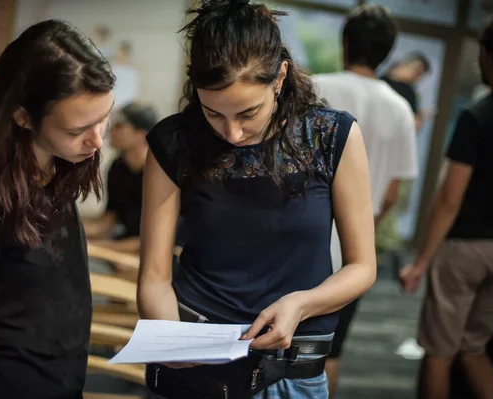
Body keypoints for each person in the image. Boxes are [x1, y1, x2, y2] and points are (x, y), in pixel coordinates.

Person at [137, 1, 377, 398]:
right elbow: (155, 276)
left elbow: (362, 267)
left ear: (279, 76)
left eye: (248, 113)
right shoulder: (175, 142)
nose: (232, 134)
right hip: (195, 355)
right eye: (213, 113)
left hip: (290, 370)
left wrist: (302, 304)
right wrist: (168, 339)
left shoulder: (330, 137)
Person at [0, 20, 116, 399]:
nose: (96, 141)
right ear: (22, 116)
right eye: (78, 128)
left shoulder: (58, 163)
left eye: (104, 118)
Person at [311, 5, 418, 397]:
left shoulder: (313, 87)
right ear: (387, 53)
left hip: (295, 242)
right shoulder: (401, 109)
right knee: (330, 352)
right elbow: (391, 194)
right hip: (355, 257)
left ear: (345, 43)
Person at [400, 15, 493, 399]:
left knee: (439, 353)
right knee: (474, 348)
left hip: (466, 248)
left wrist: (421, 261)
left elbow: (450, 198)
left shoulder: (476, 116)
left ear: (486, 54)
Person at [83, 102, 158, 254]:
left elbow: (155, 241)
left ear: (141, 134)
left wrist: (94, 247)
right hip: (122, 242)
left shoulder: (160, 174)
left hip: (156, 255)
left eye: (120, 125)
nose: (112, 130)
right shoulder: (118, 167)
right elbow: (107, 221)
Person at [381, 52, 431, 131]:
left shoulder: (410, 92)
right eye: (417, 72)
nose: (418, 78)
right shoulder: (380, 81)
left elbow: (413, 125)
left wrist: (419, 118)